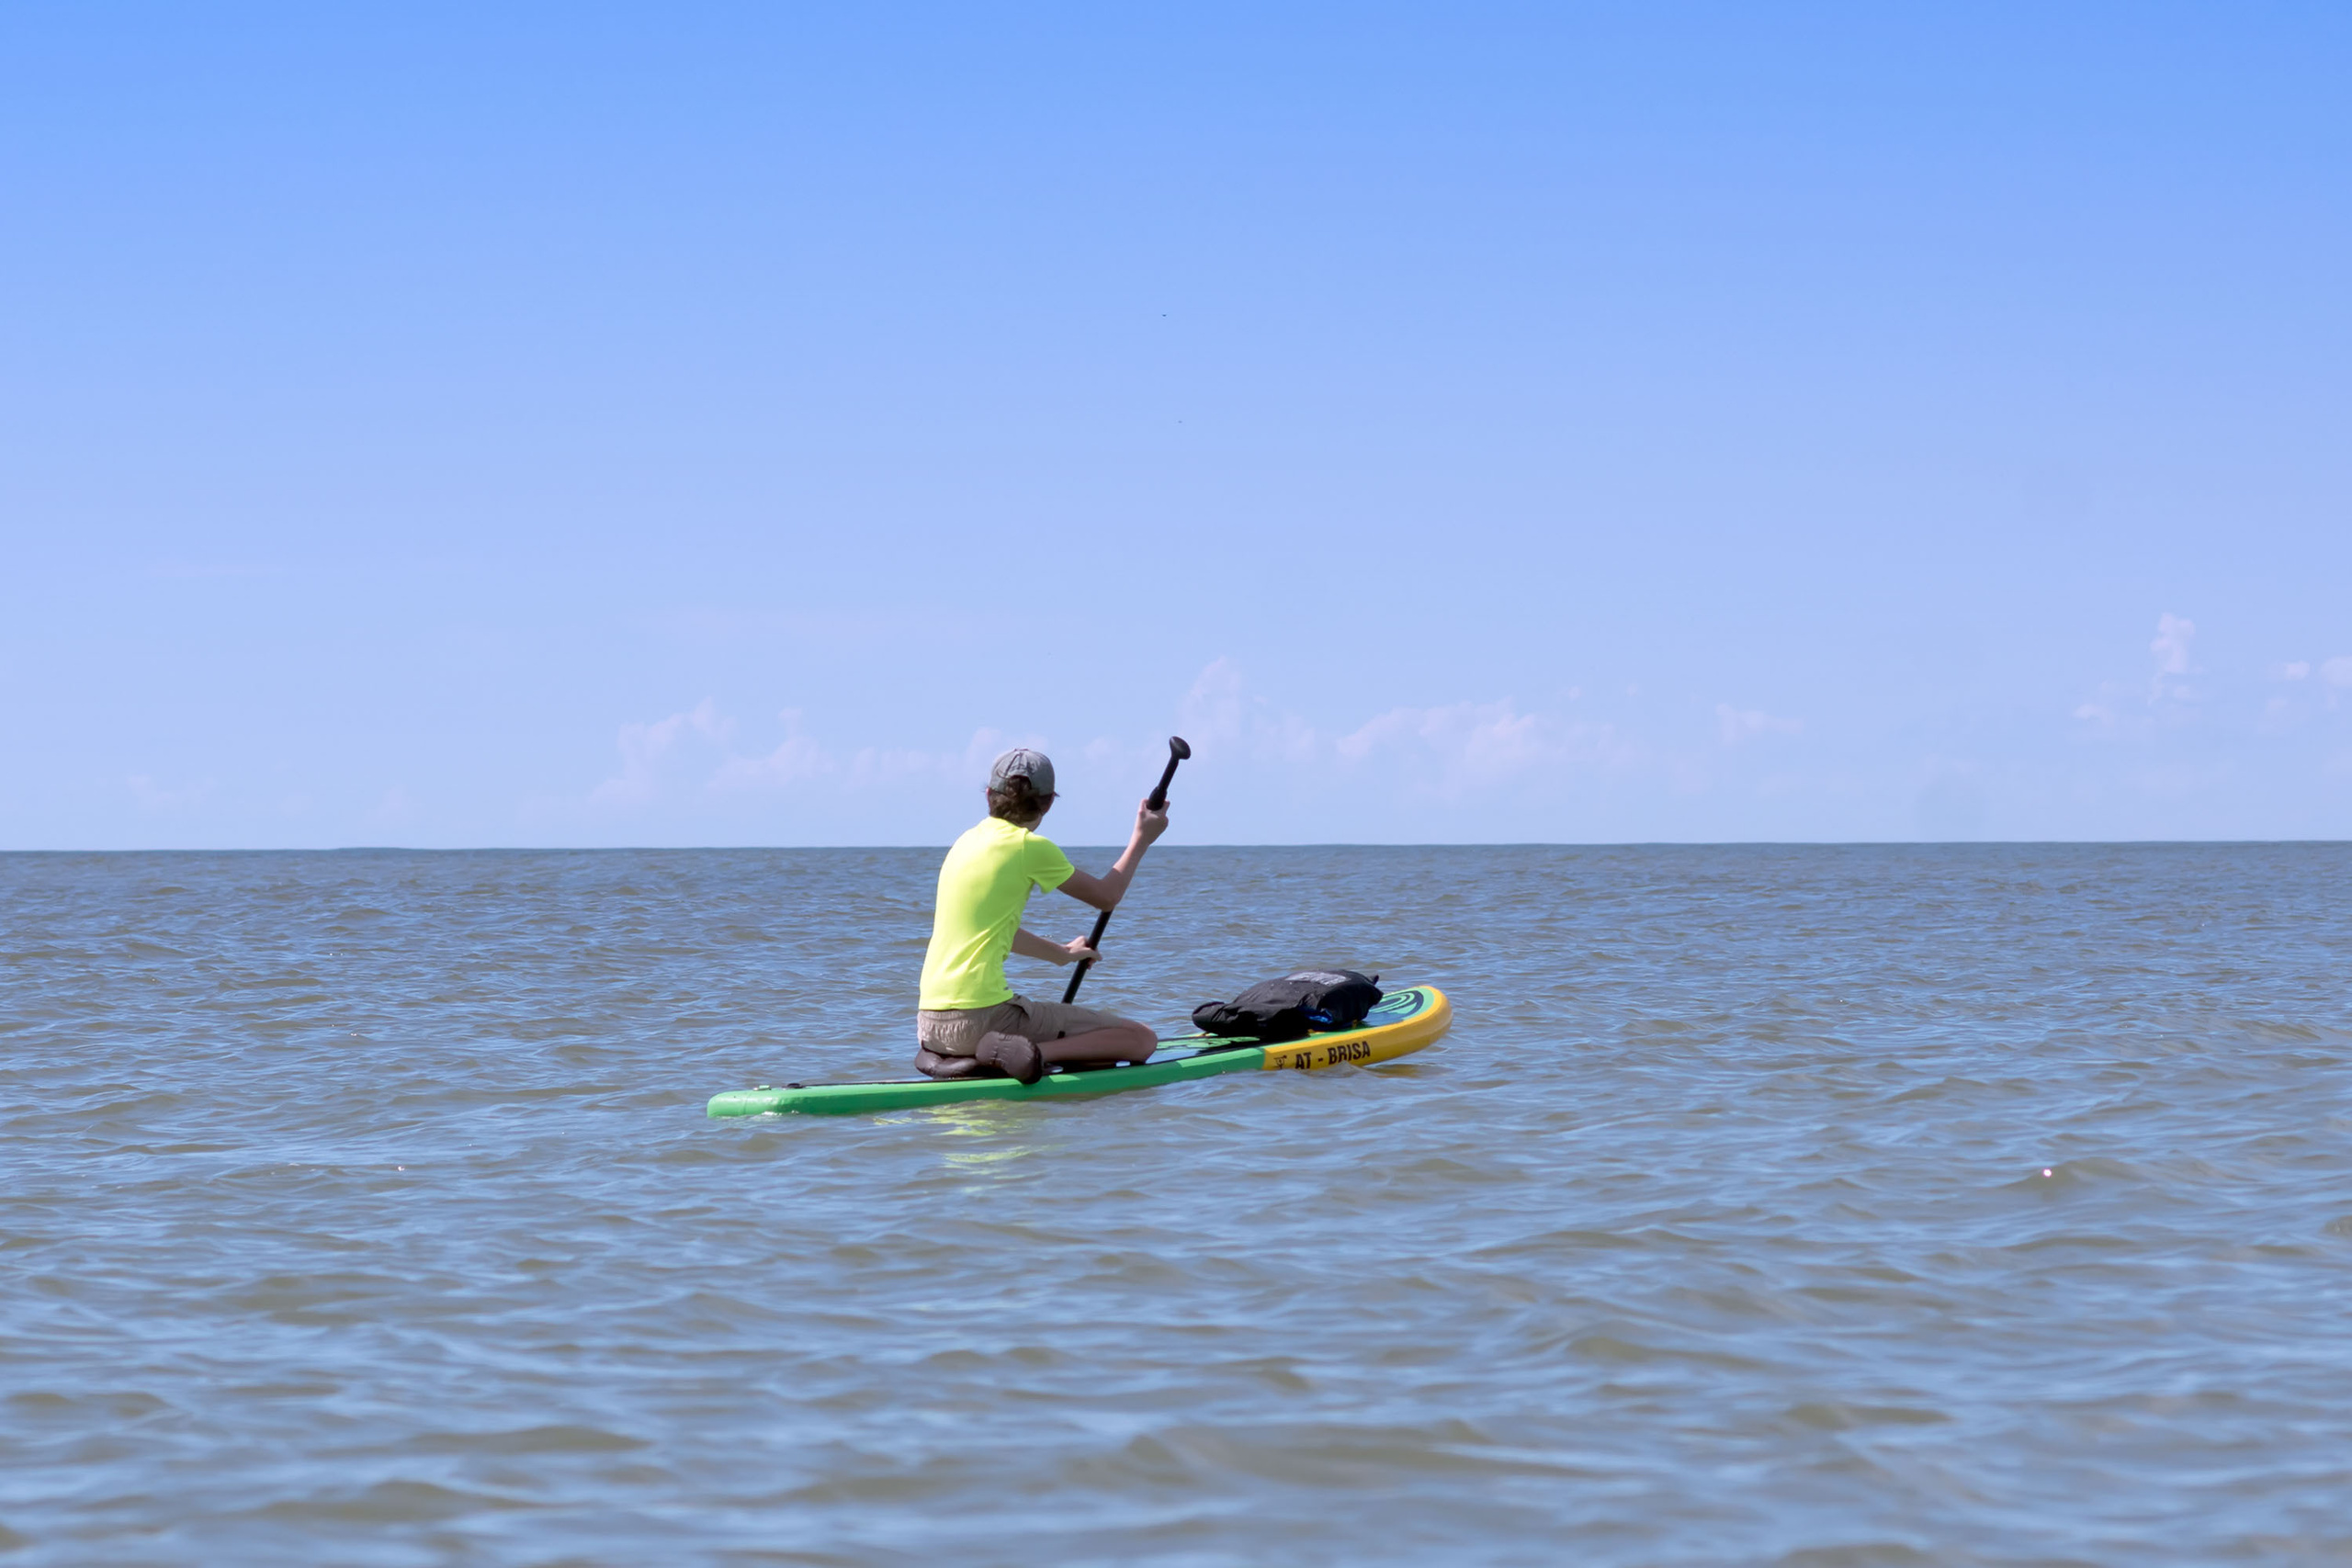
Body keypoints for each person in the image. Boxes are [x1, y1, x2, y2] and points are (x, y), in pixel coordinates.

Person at [914, 747, 1169, 1084]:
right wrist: (1142, 838)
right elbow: (1107, 897)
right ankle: (1026, 1054)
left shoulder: (964, 843)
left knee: (1090, 1049)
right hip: (982, 1019)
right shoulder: (1028, 847)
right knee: (1142, 1040)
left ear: (989, 795)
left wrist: (1062, 954)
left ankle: (972, 1053)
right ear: (1048, 803)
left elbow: (997, 930)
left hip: (930, 1024)